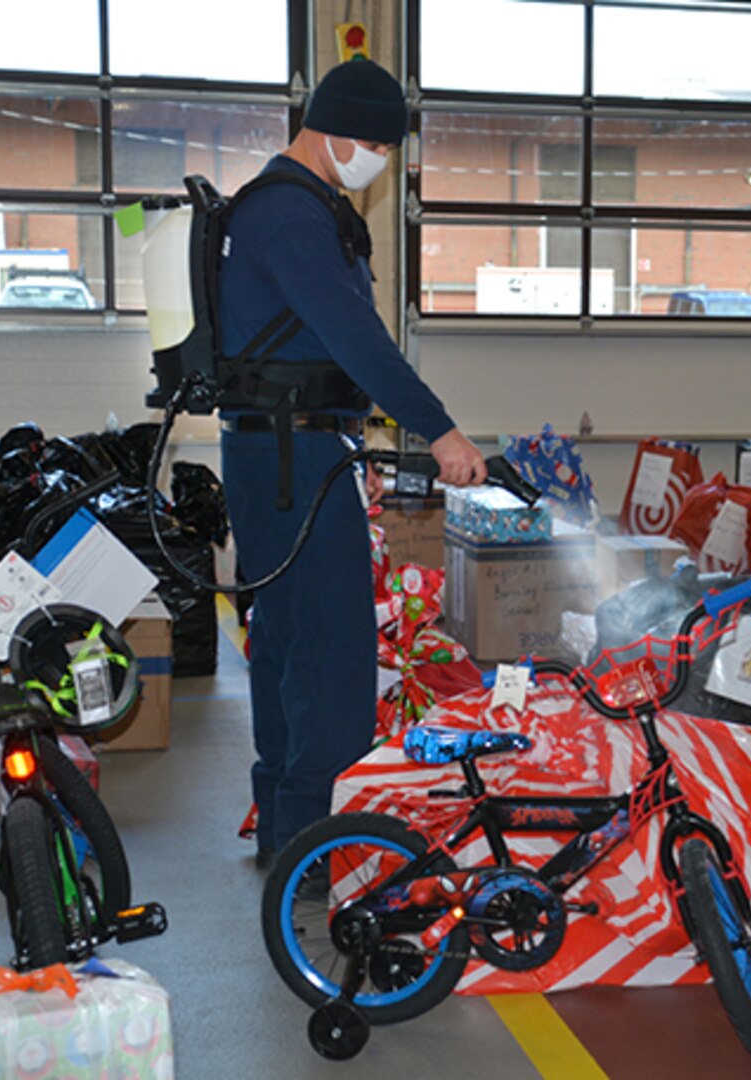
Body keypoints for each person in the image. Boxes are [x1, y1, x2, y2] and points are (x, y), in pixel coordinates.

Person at [217, 59, 486, 865]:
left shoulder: (276, 203)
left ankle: (286, 828)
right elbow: (358, 340)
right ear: (335, 131)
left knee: (289, 641)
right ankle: (316, 847)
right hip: (292, 459)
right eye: (373, 144)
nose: (377, 161)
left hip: (282, 451)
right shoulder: (293, 217)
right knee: (331, 652)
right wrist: (439, 432)